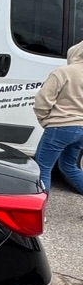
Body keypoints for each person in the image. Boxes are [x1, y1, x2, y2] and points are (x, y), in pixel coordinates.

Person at [33, 40, 83, 194]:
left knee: (42, 168)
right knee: (68, 167)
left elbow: (42, 101)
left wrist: (44, 120)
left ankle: (38, 212)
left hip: (60, 126)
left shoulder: (63, 72)